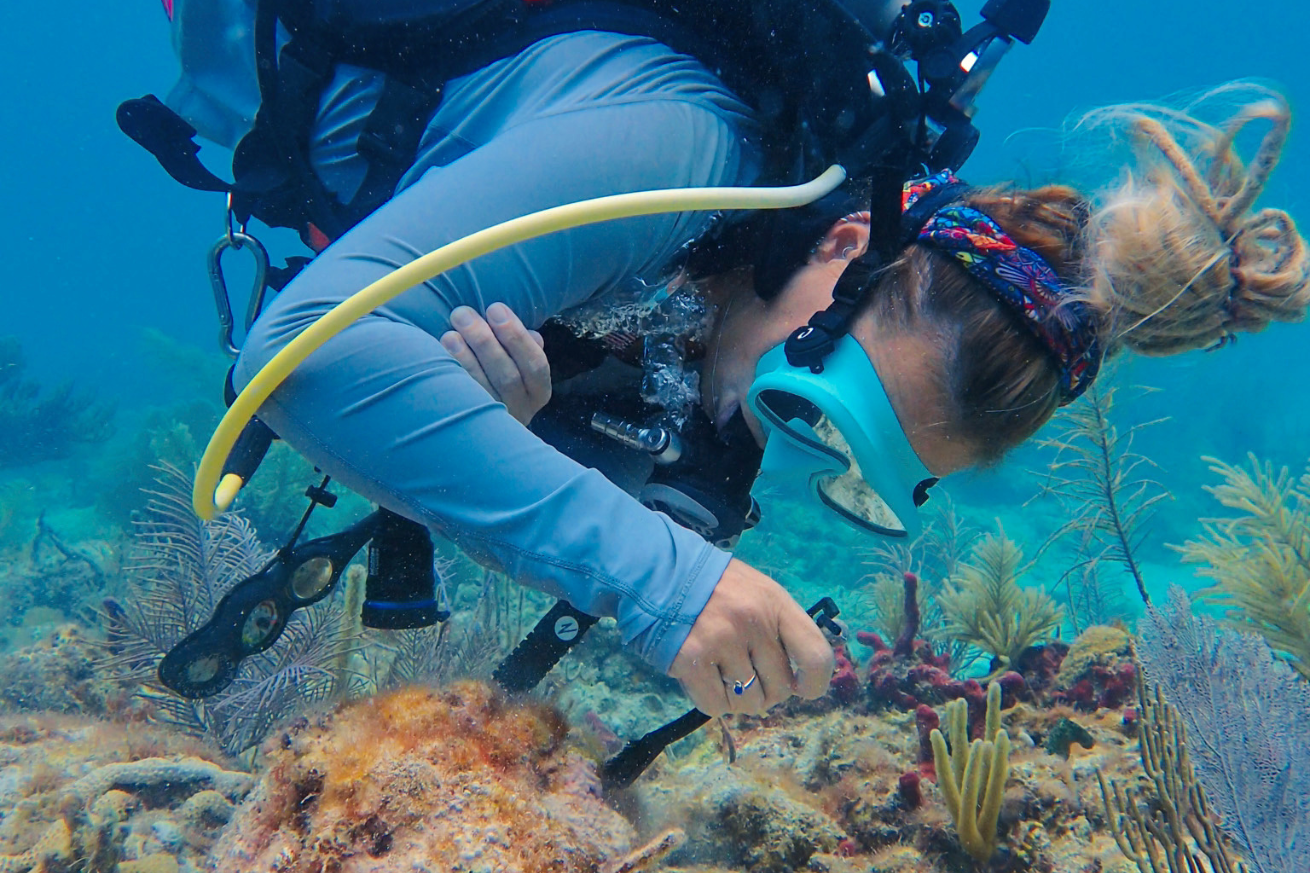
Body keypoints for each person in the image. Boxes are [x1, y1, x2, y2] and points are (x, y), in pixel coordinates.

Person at [133, 0, 1308, 719]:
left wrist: (486, 423)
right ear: (845, 243)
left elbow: (409, 373)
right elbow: (303, 356)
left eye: (850, 478)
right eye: (807, 404)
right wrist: (660, 578)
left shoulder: (719, 271)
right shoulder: (683, 148)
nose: (749, 429)